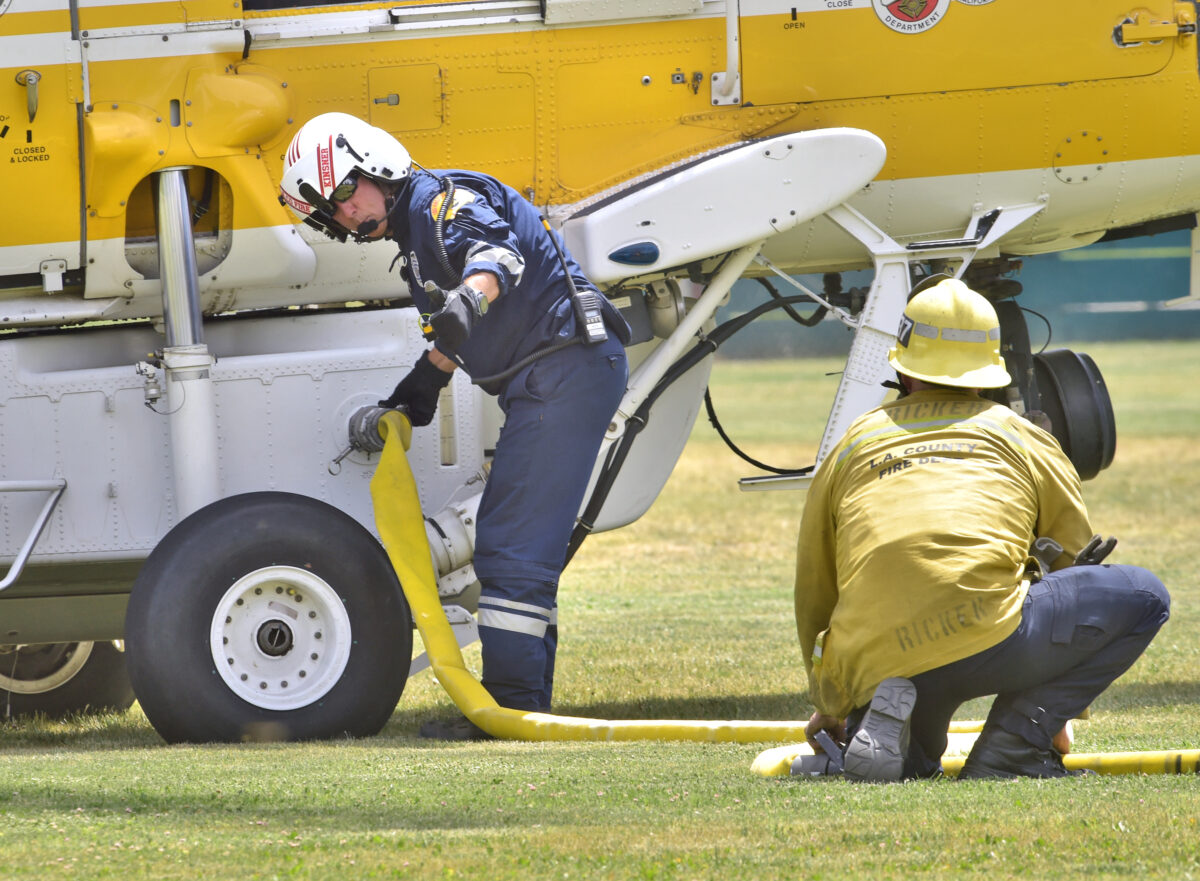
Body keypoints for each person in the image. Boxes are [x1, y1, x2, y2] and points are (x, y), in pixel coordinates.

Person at [280, 113, 630, 738]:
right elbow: (459, 326)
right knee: (515, 544)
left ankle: (511, 711)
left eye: (344, 193)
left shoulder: (439, 204)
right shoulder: (418, 229)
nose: (346, 214)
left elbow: (496, 257)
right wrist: (424, 383)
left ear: (376, 167)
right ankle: (523, 707)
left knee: (511, 546)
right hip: (551, 374)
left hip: (563, 371)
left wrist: (469, 298)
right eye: (331, 212)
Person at [795, 277, 1170, 780]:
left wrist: (830, 700)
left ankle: (891, 738)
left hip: (878, 656)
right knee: (1144, 595)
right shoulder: (1021, 436)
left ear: (903, 367)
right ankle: (1015, 747)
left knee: (911, 763)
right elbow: (1073, 562)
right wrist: (1058, 713)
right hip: (988, 633)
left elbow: (815, 586)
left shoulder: (854, 442)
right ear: (989, 371)